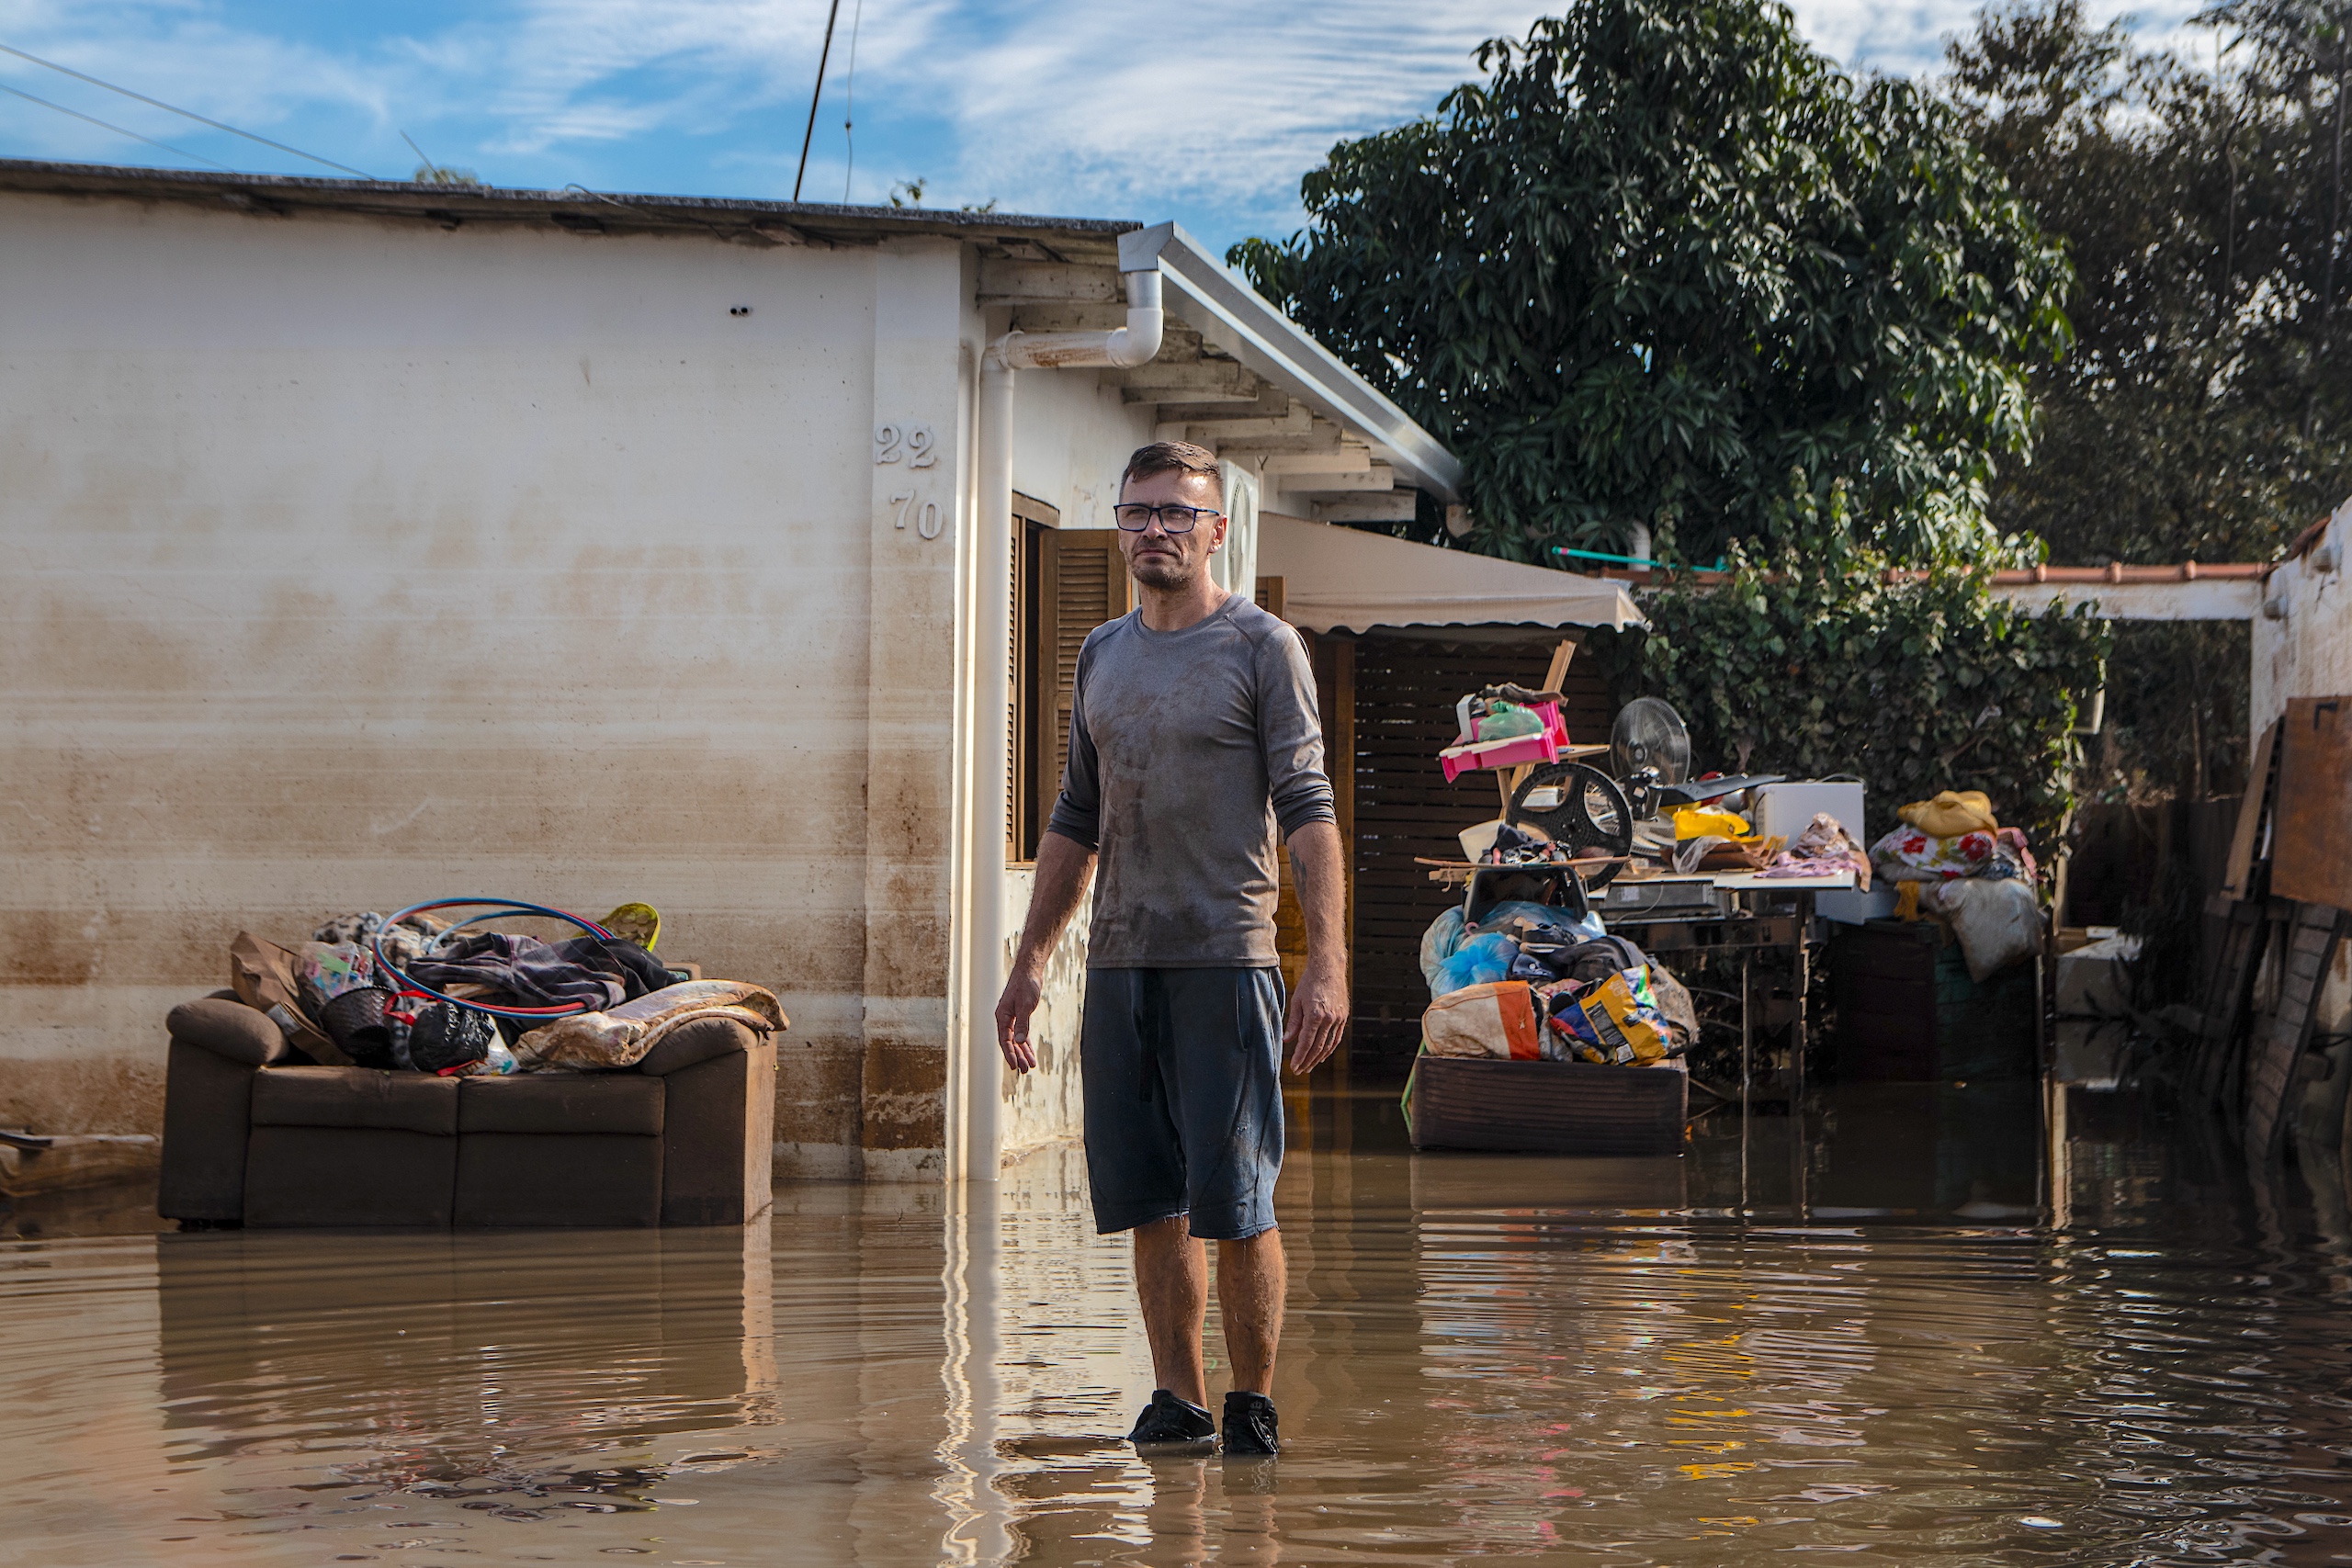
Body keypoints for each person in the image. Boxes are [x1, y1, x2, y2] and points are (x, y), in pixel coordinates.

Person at [994, 439, 1349, 1458]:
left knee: (1232, 1201)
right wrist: (1027, 966)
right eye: (1137, 513)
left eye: (1175, 514)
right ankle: (1177, 1399)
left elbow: (1308, 808)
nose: (1154, 530)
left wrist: (1321, 961)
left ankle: (1252, 1405)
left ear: (1214, 530)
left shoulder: (1260, 646)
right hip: (1119, 965)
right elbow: (1074, 816)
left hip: (1226, 961)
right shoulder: (1100, 654)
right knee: (1149, 1199)